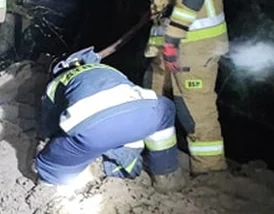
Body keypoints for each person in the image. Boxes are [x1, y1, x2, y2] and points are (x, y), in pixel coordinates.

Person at [140, 0, 228, 174]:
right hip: (176, 46)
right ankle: (161, 166)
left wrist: (173, 40)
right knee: (153, 98)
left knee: (194, 113)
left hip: (189, 47)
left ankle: (210, 177)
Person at [33, 48, 180, 188]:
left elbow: (50, 126)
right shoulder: (107, 69)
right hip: (143, 113)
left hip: (93, 129)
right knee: (163, 113)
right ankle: (165, 174)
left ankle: (48, 185)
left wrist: (50, 144)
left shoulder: (56, 83)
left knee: (51, 163)